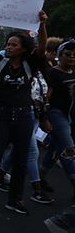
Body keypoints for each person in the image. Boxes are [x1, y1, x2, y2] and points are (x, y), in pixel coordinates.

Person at [0, 6, 48, 214]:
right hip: (1, 115)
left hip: (24, 115)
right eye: (8, 44)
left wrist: (42, 24)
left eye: (14, 45)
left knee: (21, 157)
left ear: (24, 48)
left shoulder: (30, 64)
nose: (9, 47)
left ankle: (15, 199)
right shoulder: (0, 62)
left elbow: (42, 48)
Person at [40, 38, 75, 196]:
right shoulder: (53, 73)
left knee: (54, 148)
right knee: (69, 149)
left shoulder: (73, 71)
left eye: (74, 55)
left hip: (69, 114)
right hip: (56, 114)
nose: (71, 57)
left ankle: (39, 177)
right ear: (59, 56)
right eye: (67, 54)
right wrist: (45, 118)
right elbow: (47, 97)